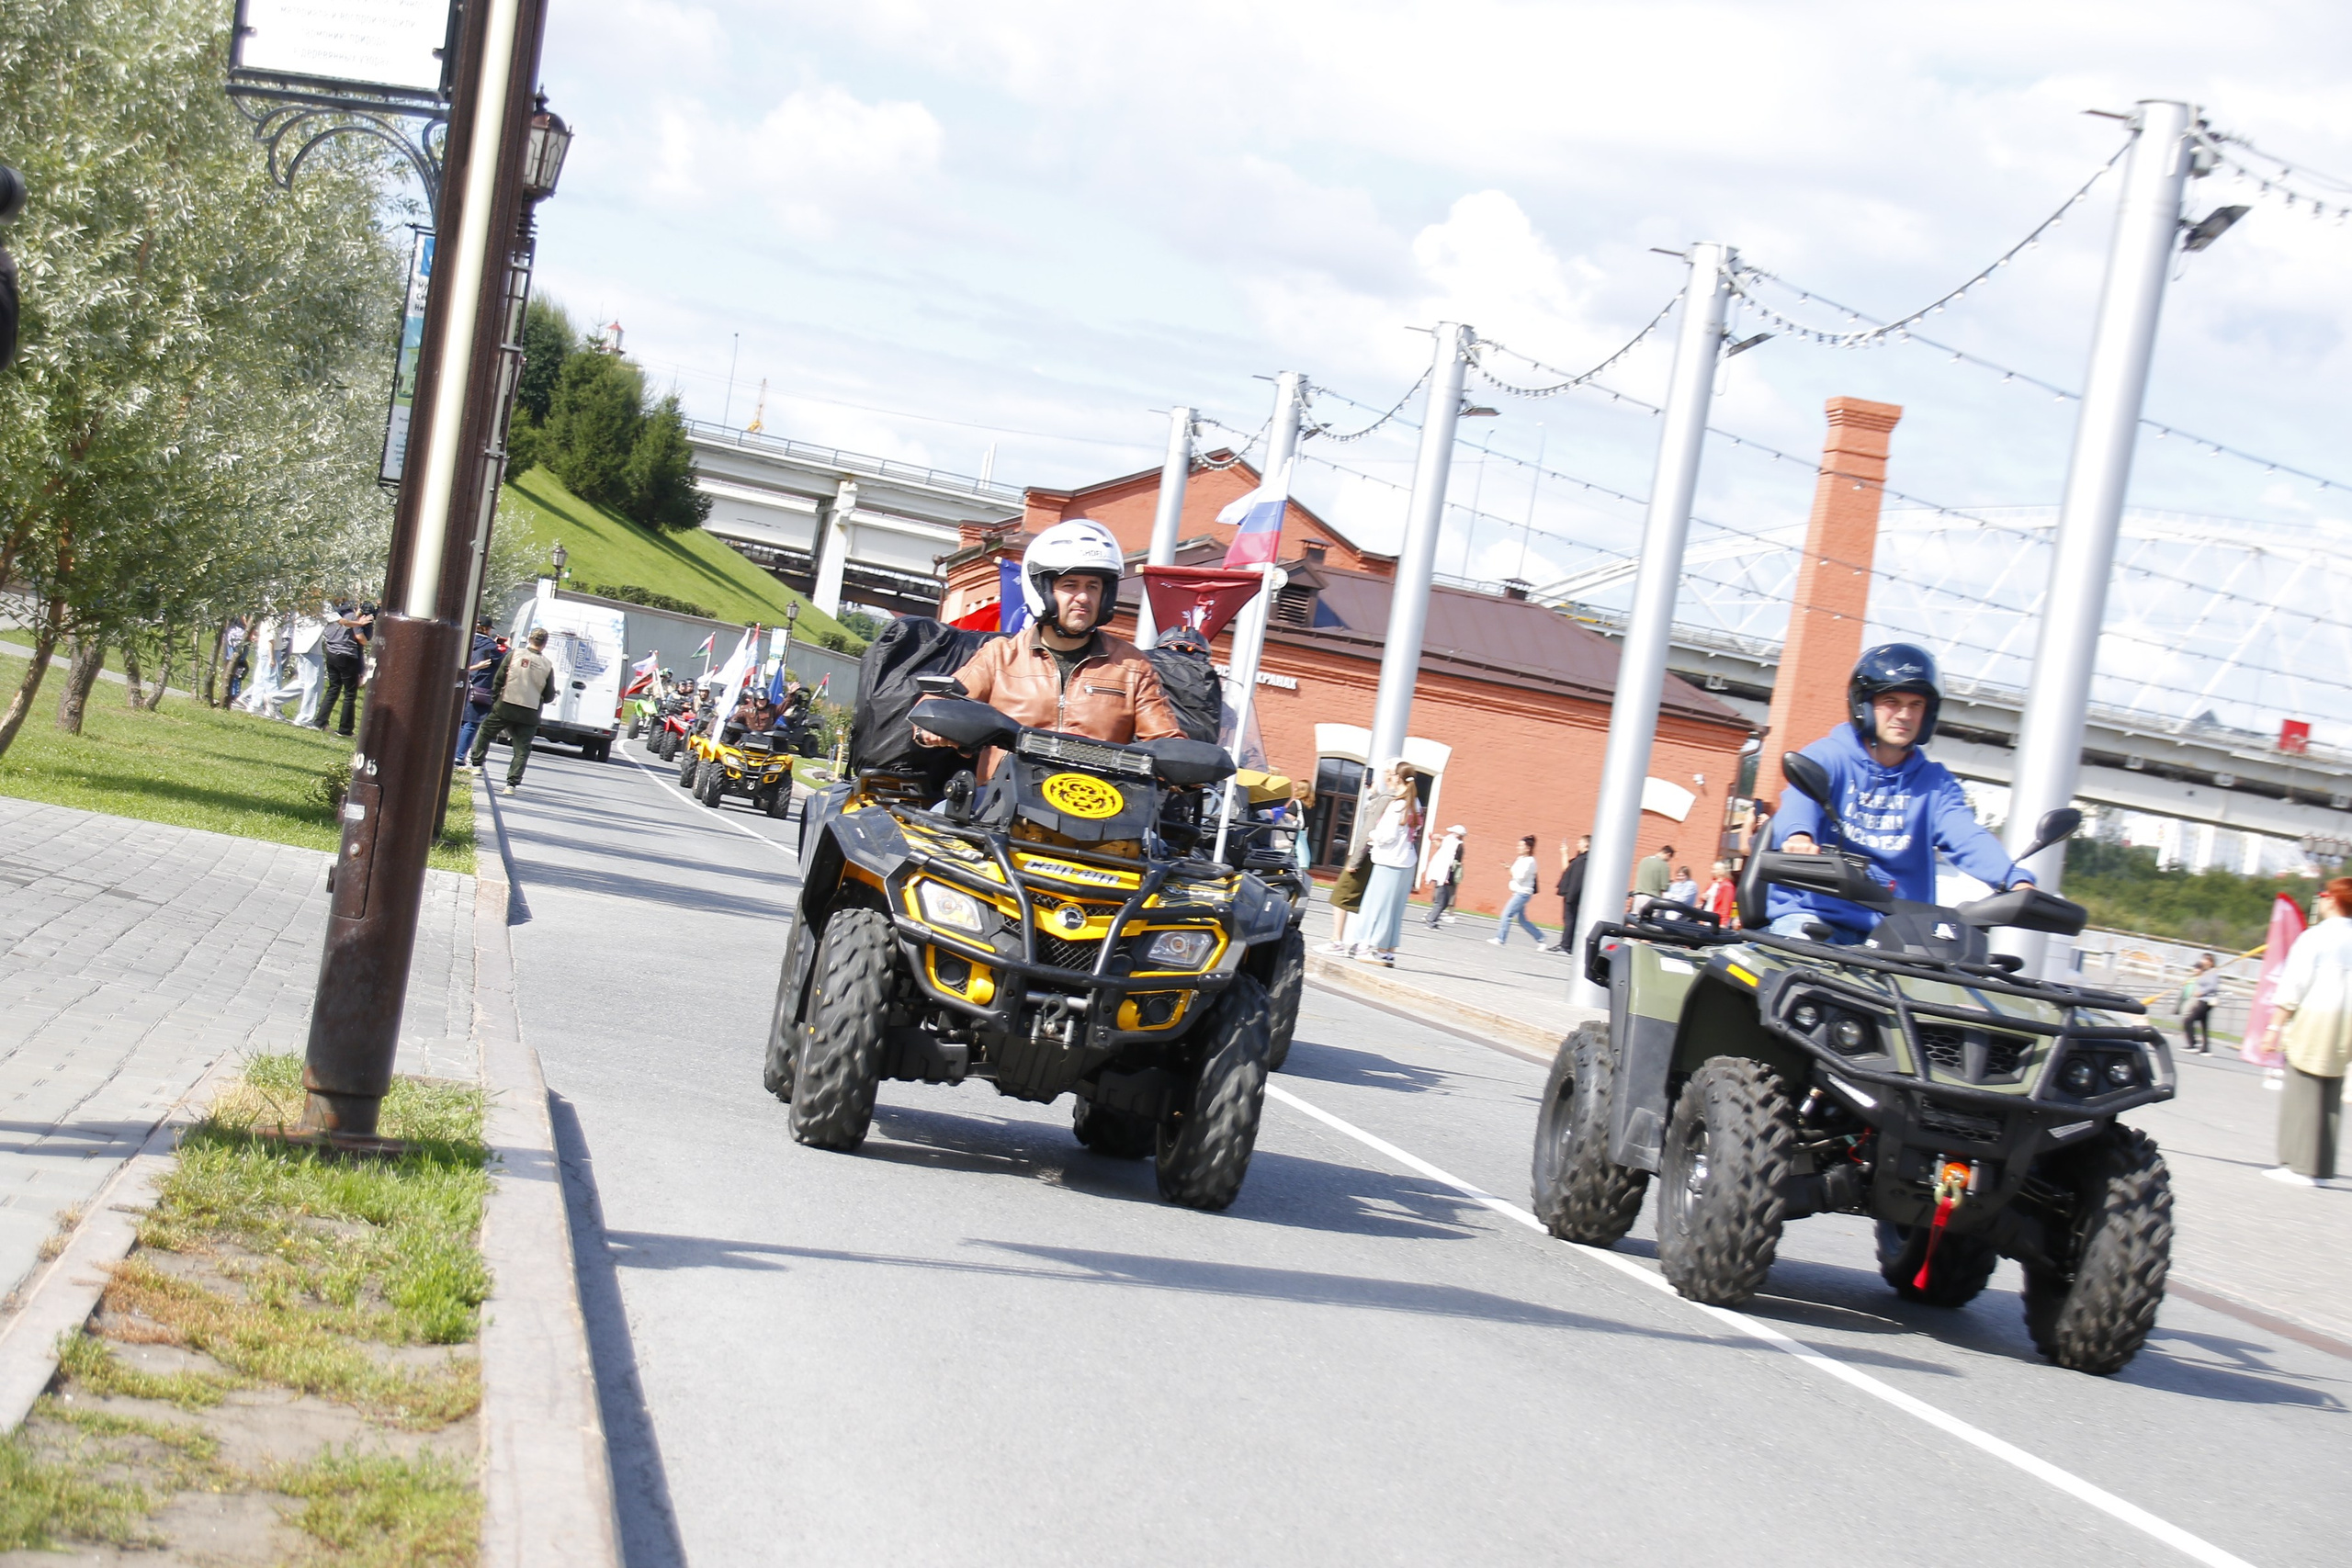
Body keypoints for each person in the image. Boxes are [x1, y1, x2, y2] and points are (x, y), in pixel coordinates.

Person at [1767, 643, 2030, 943]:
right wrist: (1799, 836)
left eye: (1915, 705)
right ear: (1863, 706)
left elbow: (1966, 835)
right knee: (1804, 970)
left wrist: (2014, 879)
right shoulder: (1829, 756)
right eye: (1892, 702)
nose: (1904, 715)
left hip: (1899, 932)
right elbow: (1800, 800)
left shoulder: (1934, 783)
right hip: (1815, 917)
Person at [936, 520, 1183, 759]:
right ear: (1042, 590)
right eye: (1071, 585)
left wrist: (1183, 763)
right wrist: (936, 725)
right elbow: (941, 703)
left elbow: (1164, 738)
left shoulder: (1132, 666)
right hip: (1003, 794)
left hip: (1098, 795)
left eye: (1093, 587)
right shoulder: (1000, 656)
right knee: (942, 805)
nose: (1083, 597)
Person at [2260, 877, 2352, 1186]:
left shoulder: (2315, 938)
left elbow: (2294, 986)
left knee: (2302, 1091)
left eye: (2324, 894)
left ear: (2332, 900)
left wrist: (2274, 1027)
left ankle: (2297, 1166)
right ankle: (2322, 1169)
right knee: (2330, 1097)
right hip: (2346, 1025)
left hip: (2315, 1019)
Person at [464, 628, 557, 794]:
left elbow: (499, 678)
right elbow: (549, 695)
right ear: (545, 643)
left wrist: (495, 700)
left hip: (506, 704)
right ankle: (511, 784)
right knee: (522, 748)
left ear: (529, 639)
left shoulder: (515, 654)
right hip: (530, 711)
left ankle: (477, 764)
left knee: (485, 731)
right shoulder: (547, 665)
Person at [1350, 761, 1421, 966]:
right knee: (1395, 909)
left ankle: (1365, 946)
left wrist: (1372, 836)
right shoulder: (1414, 803)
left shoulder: (1398, 804)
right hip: (1406, 861)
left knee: (1375, 906)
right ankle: (1387, 951)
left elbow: (1386, 835)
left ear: (1398, 778)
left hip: (1389, 860)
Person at [313, 597, 370, 736]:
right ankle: (345, 729)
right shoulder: (351, 617)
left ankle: (320, 721)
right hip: (347, 655)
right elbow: (361, 639)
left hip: (331, 653)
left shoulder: (331, 618)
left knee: (333, 688)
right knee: (350, 693)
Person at [454, 617, 501, 765]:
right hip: (480, 688)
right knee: (472, 723)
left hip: (462, 684)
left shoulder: (465, 641)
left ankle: (453, 752)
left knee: (460, 722)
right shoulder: (490, 646)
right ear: (487, 629)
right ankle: (460, 755)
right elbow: (504, 661)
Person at [1493, 834, 1546, 946]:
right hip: (1519, 892)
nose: (1518, 847)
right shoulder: (1521, 859)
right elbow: (1515, 874)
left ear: (1528, 848)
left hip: (1523, 893)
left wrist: (1511, 871)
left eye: (1521, 846)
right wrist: (1509, 868)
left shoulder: (1530, 861)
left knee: (1506, 914)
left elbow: (1520, 877)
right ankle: (1540, 938)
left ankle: (1500, 939)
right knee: (1522, 920)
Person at [1544, 835, 1589, 953]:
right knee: (1570, 919)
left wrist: (1571, 895)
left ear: (1586, 844)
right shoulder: (1581, 859)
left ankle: (1566, 945)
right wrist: (1564, 853)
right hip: (1573, 894)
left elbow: (1575, 877)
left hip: (1574, 895)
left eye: (1580, 842)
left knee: (1570, 919)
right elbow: (1567, 869)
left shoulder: (1584, 860)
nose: (1578, 844)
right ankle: (1567, 944)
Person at [284, 612, 326, 728]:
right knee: (314, 684)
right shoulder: (322, 604)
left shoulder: (304, 606)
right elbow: (338, 619)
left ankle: (274, 699)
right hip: (311, 649)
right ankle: (305, 719)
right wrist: (358, 622)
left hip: (302, 646)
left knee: (303, 682)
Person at [1423, 824, 1466, 926]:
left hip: (1445, 875)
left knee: (1444, 900)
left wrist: (1435, 838)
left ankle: (1431, 917)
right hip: (1443, 875)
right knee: (1441, 901)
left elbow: (1441, 840)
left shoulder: (1451, 842)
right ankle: (1430, 921)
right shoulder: (1454, 844)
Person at [2179, 953, 2219, 1055]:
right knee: (2204, 1024)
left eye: (2205, 960)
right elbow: (2198, 979)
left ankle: (2192, 1044)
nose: (2203, 961)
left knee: (2188, 1020)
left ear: (2211, 962)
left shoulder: (2213, 973)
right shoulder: (2205, 972)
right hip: (2202, 999)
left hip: (2206, 1000)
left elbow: (2213, 986)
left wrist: (2202, 992)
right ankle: (2205, 1048)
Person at [1634, 843, 1673, 909]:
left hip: (1638, 897)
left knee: (1634, 918)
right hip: (1652, 899)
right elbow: (1664, 887)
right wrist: (1669, 883)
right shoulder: (1664, 865)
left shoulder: (1644, 860)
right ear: (1668, 854)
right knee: (1651, 919)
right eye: (1668, 859)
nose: (1667, 861)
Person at [1701, 859, 1737, 925]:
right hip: (1706, 919)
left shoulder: (1727, 886)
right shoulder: (1712, 883)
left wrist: (1723, 924)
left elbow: (1726, 907)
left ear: (1721, 871)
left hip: (1715, 921)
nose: (1712, 871)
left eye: (1714, 869)